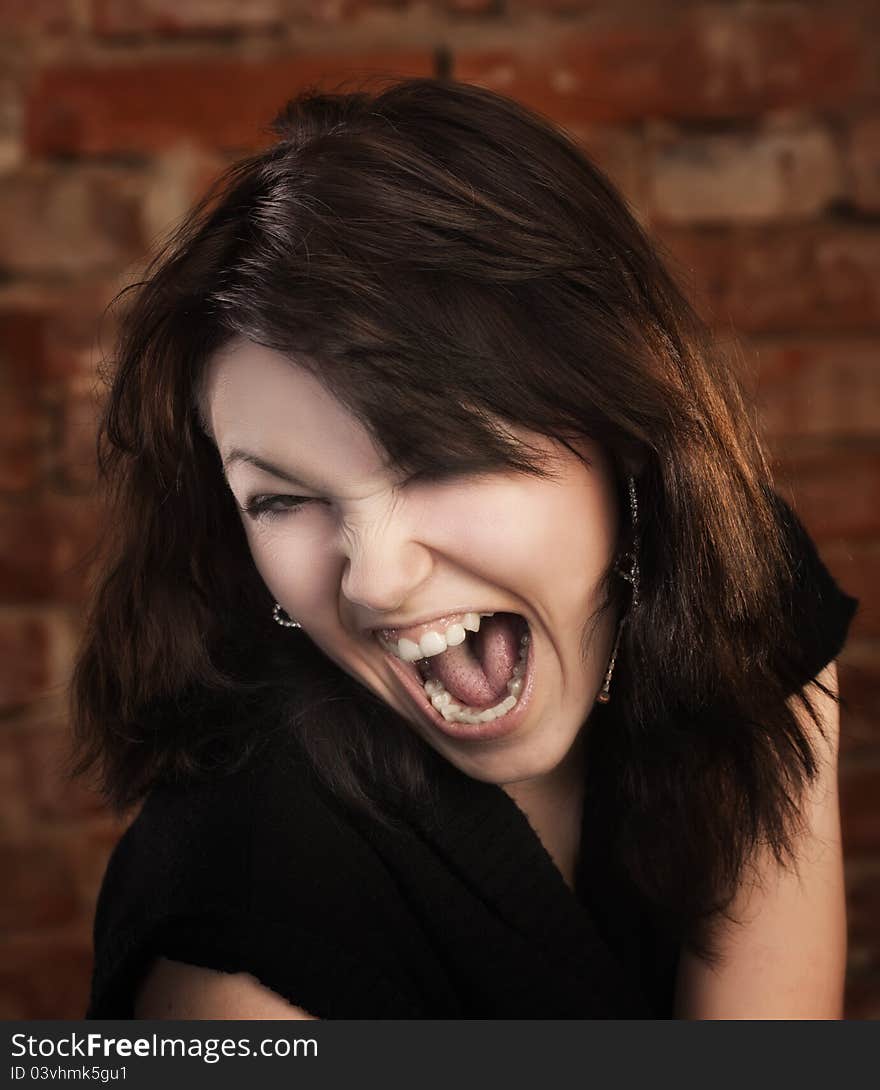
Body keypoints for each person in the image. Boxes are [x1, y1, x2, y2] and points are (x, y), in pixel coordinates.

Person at [72, 77, 859, 1020]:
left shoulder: (740, 585)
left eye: (439, 458)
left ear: (623, 431)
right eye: (281, 498)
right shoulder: (236, 934)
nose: (376, 580)